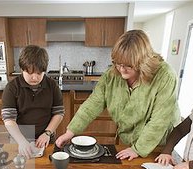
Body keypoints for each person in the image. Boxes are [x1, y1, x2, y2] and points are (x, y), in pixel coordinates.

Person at [55, 30, 180, 160]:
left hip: (159, 146)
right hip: (130, 142)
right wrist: (70, 132)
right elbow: (92, 104)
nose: (121, 69)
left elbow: (160, 120)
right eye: (118, 63)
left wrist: (137, 149)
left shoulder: (166, 75)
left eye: (128, 65)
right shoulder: (111, 74)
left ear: (143, 61)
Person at [2, 45, 64, 158]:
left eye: (39, 73)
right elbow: (9, 119)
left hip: (46, 138)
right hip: (19, 138)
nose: (35, 78)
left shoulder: (52, 86)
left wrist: (47, 133)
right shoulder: (12, 88)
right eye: (30, 73)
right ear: (22, 69)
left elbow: (58, 113)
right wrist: (21, 141)